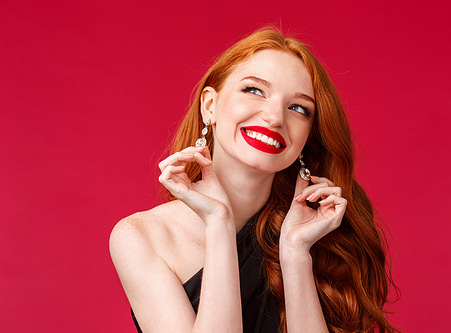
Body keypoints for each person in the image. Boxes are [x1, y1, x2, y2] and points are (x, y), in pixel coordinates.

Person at [110, 27, 398, 333]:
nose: (275, 117)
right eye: (254, 90)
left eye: (298, 108)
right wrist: (218, 221)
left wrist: (295, 251)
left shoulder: (323, 231)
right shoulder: (140, 236)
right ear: (210, 106)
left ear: (307, 137)